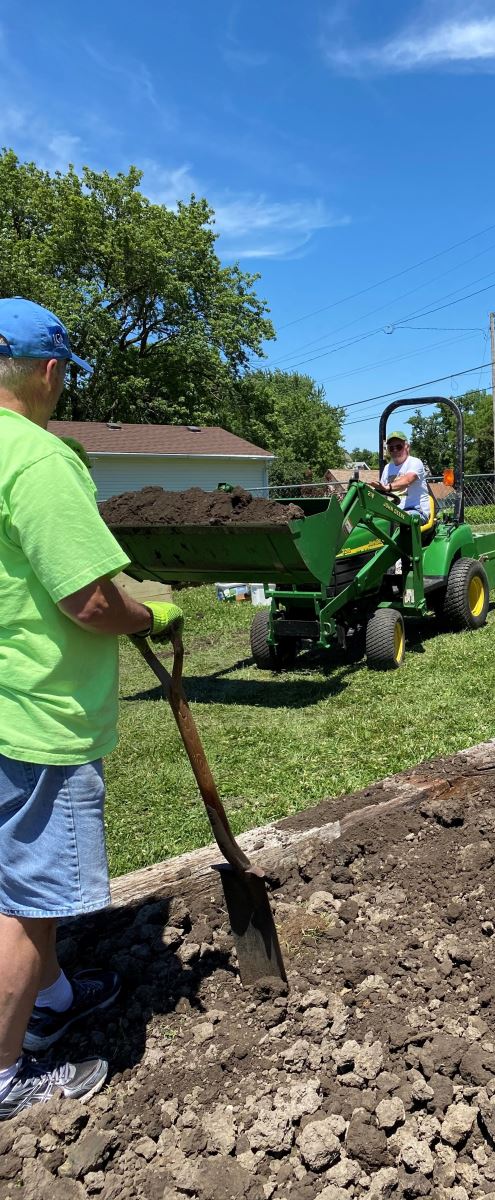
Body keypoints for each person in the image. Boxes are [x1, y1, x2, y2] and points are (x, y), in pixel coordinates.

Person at [0, 298, 183, 1119]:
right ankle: (7, 1078)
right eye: (64, 372)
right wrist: (147, 613)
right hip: (39, 719)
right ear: (48, 370)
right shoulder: (37, 460)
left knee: (9, 879)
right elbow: (88, 601)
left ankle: (54, 997)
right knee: (28, 907)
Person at [374, 431, 431, 522]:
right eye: (391, 448)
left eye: (398, 447)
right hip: (393, 512)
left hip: (415, 511)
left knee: (396, 524)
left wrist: (388, 487)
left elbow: (408, 480)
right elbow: (381, 494)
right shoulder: (387, 468)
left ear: (407, 447)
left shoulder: (415, 462)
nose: (395, 450)